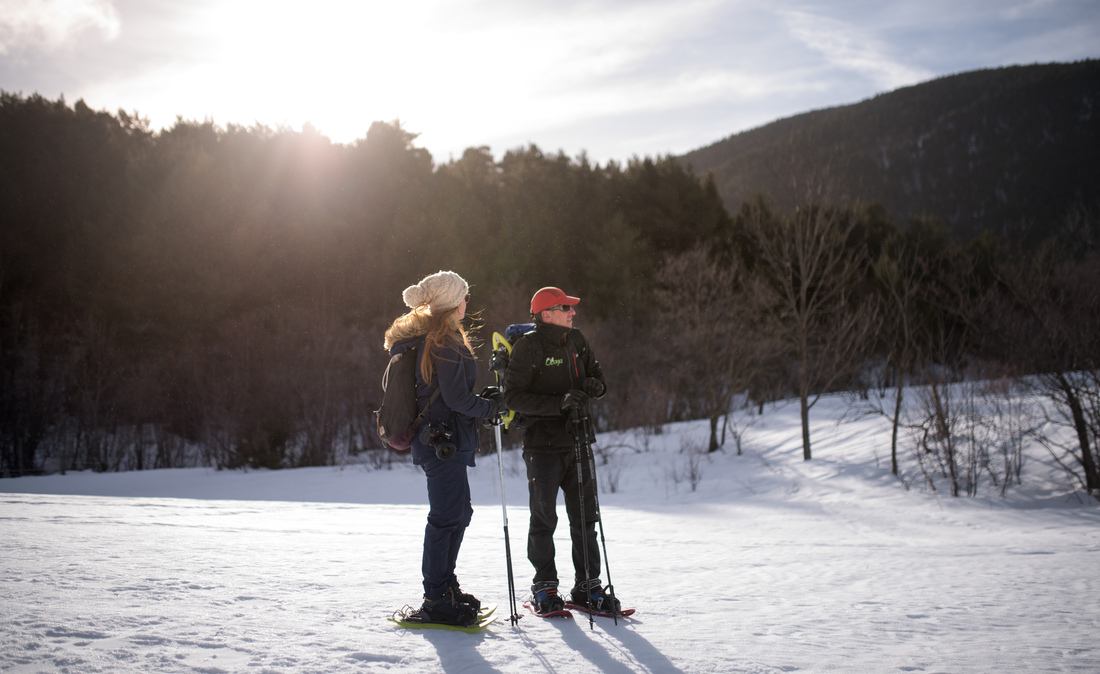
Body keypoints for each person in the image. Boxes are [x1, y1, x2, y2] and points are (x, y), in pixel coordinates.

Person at [384, 270, 503, 626]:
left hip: (445, 441)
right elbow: (456, 399)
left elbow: (454, 396)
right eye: (464, 295)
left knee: (459, 513)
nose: (467, 301)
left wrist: (483, 402)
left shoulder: (442, 339)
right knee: (445, 517)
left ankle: (446, 586)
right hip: (440, 443)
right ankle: (435, 597)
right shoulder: (443, 342)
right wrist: (491, 408)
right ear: (452, 302)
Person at [502, 286, 620, 615]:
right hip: (542, 446)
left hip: (579, 440)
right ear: (546, 314)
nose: (572, 312)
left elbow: (599, 378)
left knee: (585, 518)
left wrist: (594, 387)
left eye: (571, 307)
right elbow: (513, 397)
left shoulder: (577, 340)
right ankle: (545, 586)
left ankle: (588, 587)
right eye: (565, 308)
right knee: (544, 518)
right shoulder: (528, 347)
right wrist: (560, 404)